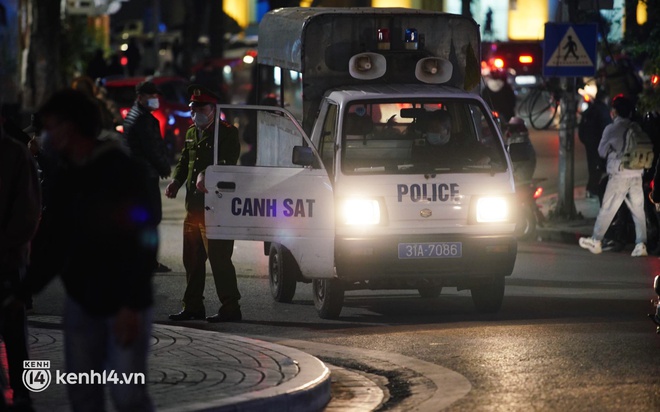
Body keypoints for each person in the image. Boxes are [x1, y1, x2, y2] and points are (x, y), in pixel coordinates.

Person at [17, 89, 157, 411]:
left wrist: (130, 305)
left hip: (123, 305)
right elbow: (53, 243)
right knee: (82, 395)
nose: (45, 136)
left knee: (128, 395)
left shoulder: (121, 171)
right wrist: (21, 292)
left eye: (50, 127)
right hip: (82, 304)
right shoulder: (65, 177)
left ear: (70, 128)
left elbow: (144, 241)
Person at [166, 84, 242, 323]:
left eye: (201, 107)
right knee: (192, 261)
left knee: (219, 259)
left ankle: (230, 307)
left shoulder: (227, 133)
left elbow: (229, 163)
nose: (195, 111)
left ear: (213, 109)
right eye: (193, 107)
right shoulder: (191, 133)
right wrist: (176, 182)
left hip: (217, 208)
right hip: (194, 208)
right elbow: (183, 163)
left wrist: (207, 175)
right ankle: (192, 306)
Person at [0, 116, 41, 411]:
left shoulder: (15, 155)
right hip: (9, 257)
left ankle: (23, 392)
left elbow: (27, 214)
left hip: (8, 263)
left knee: (14, 337)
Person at [579, 95, 648, 257]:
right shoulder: (636, 127)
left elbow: (601, 151)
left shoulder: (612, 129)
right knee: (638, 210)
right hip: (637, 173)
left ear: (615, 112)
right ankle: (641, 244)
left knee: (608, 208)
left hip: (619, 174)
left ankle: (596, 240)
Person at [123, 80, 172, 273]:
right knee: (152, 217)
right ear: (140, 97)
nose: (154, 100)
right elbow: (151, 148)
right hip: (145, 174)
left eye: (155, 96)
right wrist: (164, 167)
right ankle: (147, 261)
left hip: (137, 174)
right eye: (151, 96)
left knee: (143, 219)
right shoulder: (143, 119)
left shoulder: (133, 115)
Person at [411, 109, 491, 169]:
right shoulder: (421, 145)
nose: (431, 132)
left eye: (436, 129)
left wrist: (487, 157)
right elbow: (415, 167)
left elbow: (494, 153)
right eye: (429, 129)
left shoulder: (463, 142)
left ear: (448, 130)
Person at [578, 89, 612, 198]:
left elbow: (581, 127)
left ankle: (591, 189)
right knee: (598, 167)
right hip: (598, 143)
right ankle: (593, 190)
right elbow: (607, 128)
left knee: (592, 167)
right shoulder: (603, 110)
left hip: (590, 143)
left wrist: (585, 141)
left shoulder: (590, 109)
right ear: (605, 98)